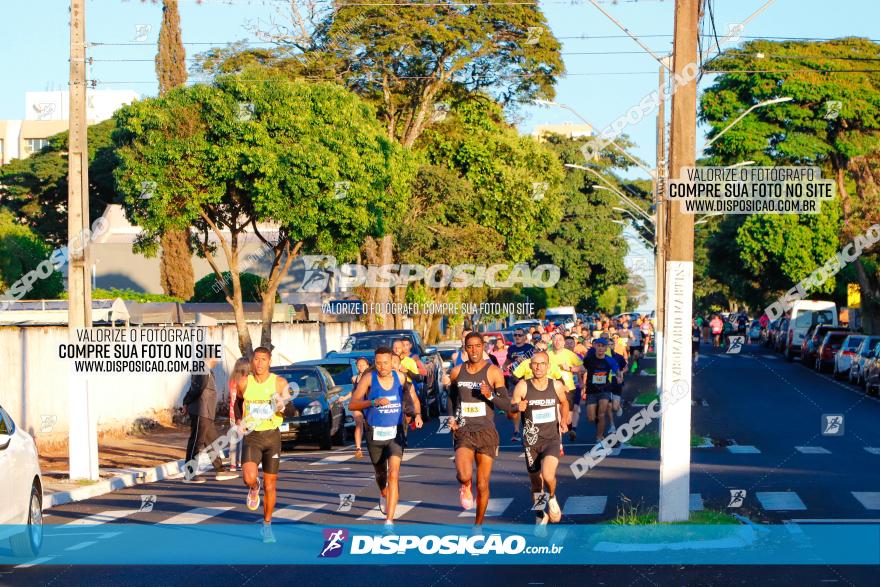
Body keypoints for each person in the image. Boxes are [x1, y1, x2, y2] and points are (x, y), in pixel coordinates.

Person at [349, 347, 423, 530]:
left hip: (395, 432)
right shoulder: (368, 378)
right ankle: (383, 493)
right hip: (374, 432)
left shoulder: (400, 378)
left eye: (386, 363)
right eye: (379, 363)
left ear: (392, 362)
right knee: (381, 474)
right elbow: (352, 404)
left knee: (394, 474)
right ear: (375, 362)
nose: (382, 367)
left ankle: (389, 521)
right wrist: (373, 402)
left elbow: (412, 397)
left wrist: (417, 414)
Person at [444, 332, 510, 528]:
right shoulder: (457, 372)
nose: (474, 350)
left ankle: (478, 526)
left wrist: (489, 395)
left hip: (487, 432)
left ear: (484, 347)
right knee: (464, 475)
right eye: (469, 346)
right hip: (463, 430)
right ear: (465, 348)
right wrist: (451, 417)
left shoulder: (493, 372)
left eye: (477, 346)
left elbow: (506, 404)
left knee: (483, 485)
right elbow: (451, 399)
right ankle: (465, 485)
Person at [237, 346, 292, 543]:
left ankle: (267, 524)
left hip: (272, 436)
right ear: (252, 361)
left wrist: (283, 405)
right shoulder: (245, 382)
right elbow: (238, 402)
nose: (259, 363)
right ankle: (253, 486)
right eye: (256, 359)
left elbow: (293, 409)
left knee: (271, 485)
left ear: (269, 361)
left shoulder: (279, 382)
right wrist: (238, 420)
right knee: (248, 476)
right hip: (252, 435)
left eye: (263, 359)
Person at [510, 351, 569, 529]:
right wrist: (516, 407)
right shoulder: (523, 386)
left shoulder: (556, 385)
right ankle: (539, 514)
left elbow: (564, 402)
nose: (538, 367)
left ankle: (552, 497)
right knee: (536, 482)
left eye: (542, 363)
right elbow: (511, 410)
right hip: (531, 442)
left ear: (548, 366)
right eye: (535, 364)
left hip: (551, 438)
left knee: (548, 475)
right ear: (530, 366)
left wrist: (564, 419)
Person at [182, 357, 239, 484]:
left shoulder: (206, 370)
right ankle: (189, 474)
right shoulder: (202, 370)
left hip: (207, 413)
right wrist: (186, 402)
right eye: (215, 359)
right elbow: (195, 390)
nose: (217, 361)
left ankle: (220, 470)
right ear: (209, 358)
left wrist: (186, 401)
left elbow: (194, 389)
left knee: (213, 442)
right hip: (200, 412)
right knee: (196, 442)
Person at [582, 338, 622, 442]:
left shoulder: (610, 360)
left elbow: (617, 371)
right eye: (598, 346)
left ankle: (599, 436)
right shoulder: (589, 359)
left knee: (601, 414)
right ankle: (600, 426)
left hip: (605, 390)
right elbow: (582, 368)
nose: (600, 348)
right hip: (591, 390)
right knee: (591, 418)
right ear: (595, 346)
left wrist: (619, 377)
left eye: (602, 346)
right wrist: (570, 369)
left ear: (606, 348)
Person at [504, 328, 535, 442]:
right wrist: (504, 366)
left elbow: (535, 360)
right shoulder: (511, 348)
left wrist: (524, 361)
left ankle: (529, 430)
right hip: (514, 379)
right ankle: (516, 431)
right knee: (515, 405)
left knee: (529, 406)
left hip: (527, 379)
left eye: (519, 335)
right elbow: (508, 360)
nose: (517, 337)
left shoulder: (529, 348)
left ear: (524, 337)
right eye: (515, 335)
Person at [343, 356, 372, 459]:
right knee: (359, 424)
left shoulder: (371, 376)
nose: (361, 367)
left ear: (367, 365)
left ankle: (372, 444)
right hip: (358, 404)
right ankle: (358, 448)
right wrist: (344, 398)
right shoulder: (354, 378)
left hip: (368, 403)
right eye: (359, 365)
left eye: (363, 365)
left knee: (369, 425)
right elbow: (354, 391)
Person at [227, 357, 251, 473]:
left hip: (232, 414)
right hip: (242, 414)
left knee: (233, 440)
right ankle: (241, 461)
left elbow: (231, 399)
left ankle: (232, 464)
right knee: (242, 440)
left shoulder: (232, 380)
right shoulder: (245, 380)